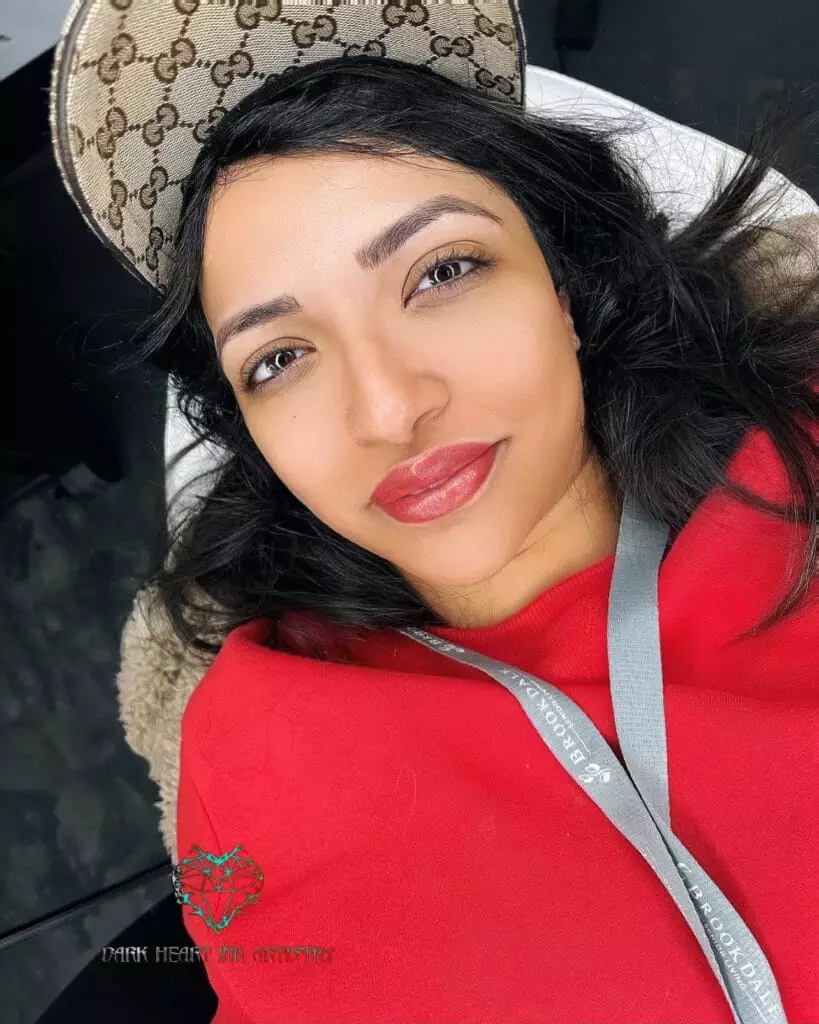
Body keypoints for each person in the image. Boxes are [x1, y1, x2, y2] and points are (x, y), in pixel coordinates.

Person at [51, 2, 817, 1022]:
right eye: (280, 359)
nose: (390, 409)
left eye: (443, 271)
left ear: (561, 277)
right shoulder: (257, 748)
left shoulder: (800, 463)